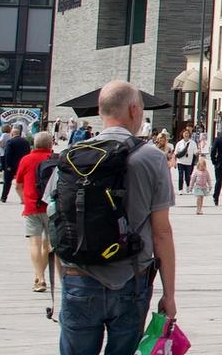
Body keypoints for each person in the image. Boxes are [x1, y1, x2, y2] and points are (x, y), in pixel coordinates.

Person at [51, 80, 177, 355]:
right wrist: (169, 295)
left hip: (79, 276)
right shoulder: (152, 157)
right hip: (130, 278)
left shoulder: (70, 157)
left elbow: (55, 219)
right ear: (134, 110)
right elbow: (161, 233)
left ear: (100, 111)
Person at [16, 131, 58, 293]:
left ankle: (39, 278)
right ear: (50, 144)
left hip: (32, 206)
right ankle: (40, 274)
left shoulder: (26, 159)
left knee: (34, 242)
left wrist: (23, 199)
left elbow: (18, 184)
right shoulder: (56, 159)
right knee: (48, 244)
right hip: (51, 206)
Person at [0, 123, 33, 203]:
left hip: (12, 165)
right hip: (22, 164)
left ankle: (4, 197)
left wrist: (7, 166)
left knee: (7, 182)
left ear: (12, 133)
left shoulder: (10, 142)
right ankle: (23, 198)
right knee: (23, 183)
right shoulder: (25, 142)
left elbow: (8, 155)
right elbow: (28, 152)